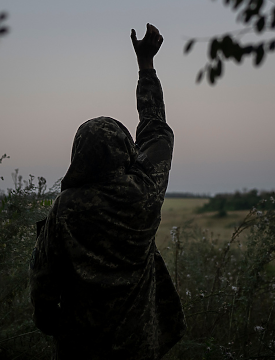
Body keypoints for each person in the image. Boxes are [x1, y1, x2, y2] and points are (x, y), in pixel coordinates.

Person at [29, 23, 185, 359]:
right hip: (137, 346)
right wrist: (146, 67)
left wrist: (48, 321)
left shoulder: (65, 208)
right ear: (126, 152)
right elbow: (155, 129)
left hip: (78, 347)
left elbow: (43, 277)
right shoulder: (145, 193)